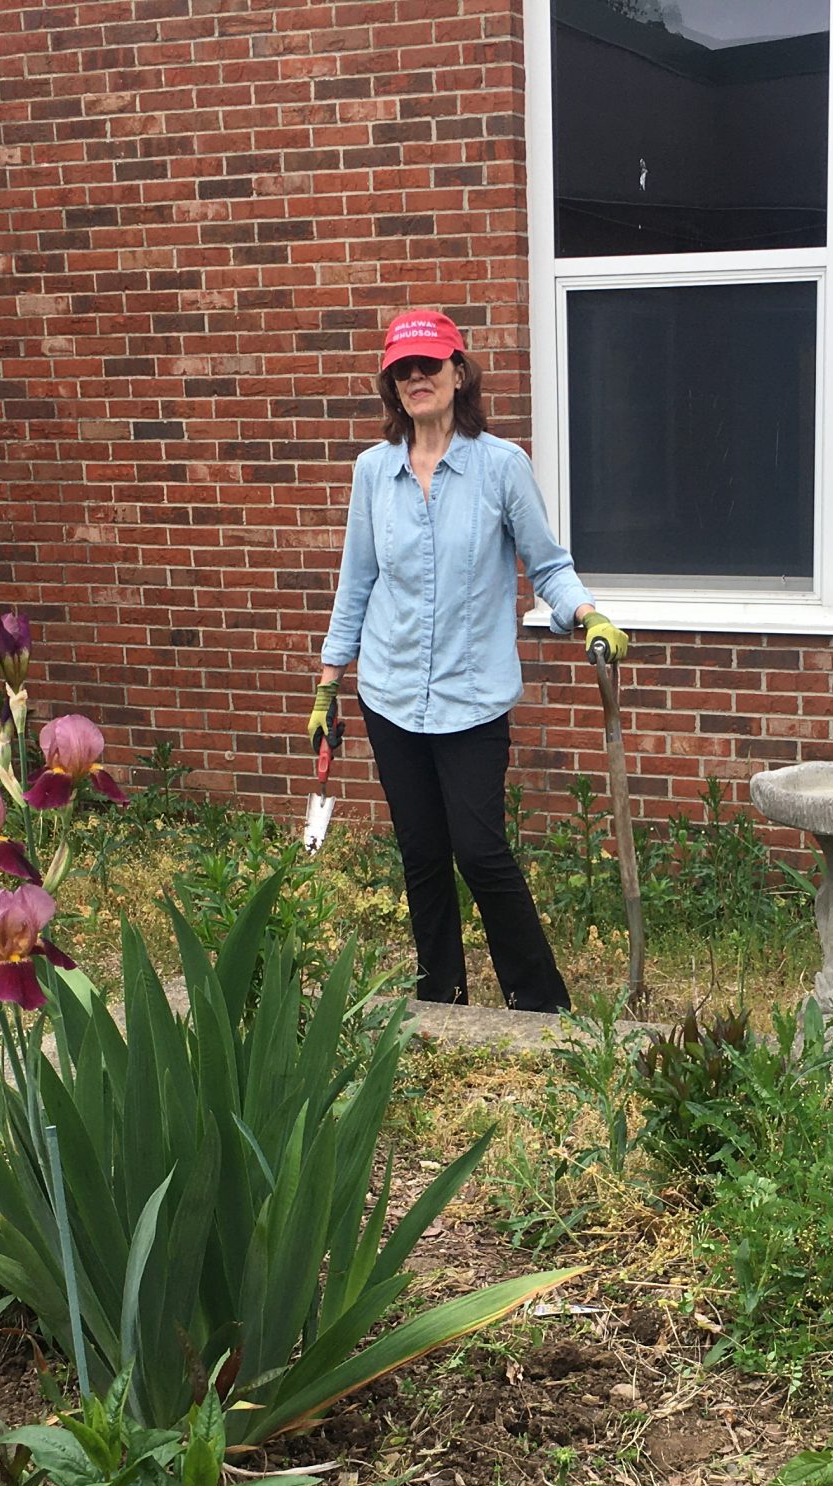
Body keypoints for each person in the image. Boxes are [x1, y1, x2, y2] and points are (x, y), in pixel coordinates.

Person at [310, 308, 626, 1012]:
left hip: (471, 700)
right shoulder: (372, 472)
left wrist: (588, 613)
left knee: (481, 854)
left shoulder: (501, 468)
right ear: (391, 385)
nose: (416, 377)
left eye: (428, 364)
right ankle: (440, 997)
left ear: (458, 371)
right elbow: (356, 579)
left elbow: (548, 565)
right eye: (402, 369)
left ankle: (541, 1003)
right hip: (390, 695)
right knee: (422, 855)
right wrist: (328, 686)